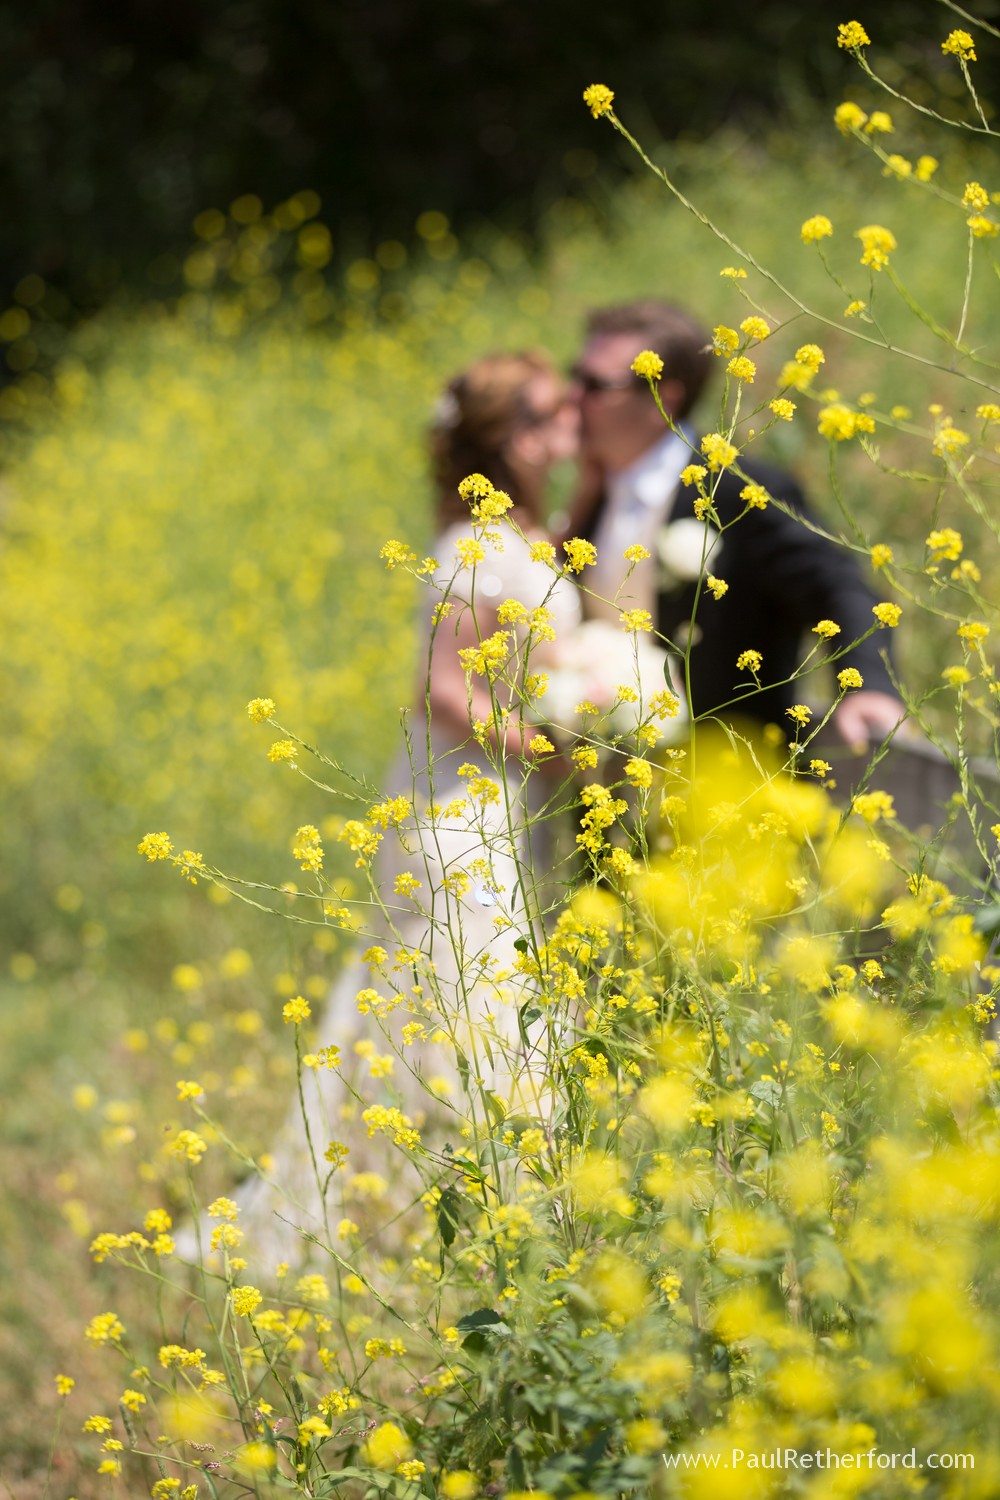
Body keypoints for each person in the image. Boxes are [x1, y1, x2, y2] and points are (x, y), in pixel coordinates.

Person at [182, 352, 582, 1270]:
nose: (570, 424)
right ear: (514, 435)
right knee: (462, 993)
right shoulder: (470, 544)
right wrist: (552, 745)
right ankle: (428, 1202)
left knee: (467, 996)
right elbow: (441, 688)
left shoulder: (525, 530)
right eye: (554, 413)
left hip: (504, 801)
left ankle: (446, 1192)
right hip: (460, 803)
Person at [563, 299, 904, 747]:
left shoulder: (737, 490)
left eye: (593, 385)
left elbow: (835, 584)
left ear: (664, 395)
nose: (572, 398)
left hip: (730, 774)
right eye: (574, 375)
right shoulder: (592, 493)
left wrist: (867, 686)